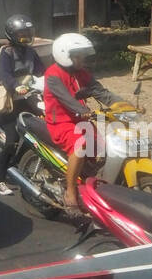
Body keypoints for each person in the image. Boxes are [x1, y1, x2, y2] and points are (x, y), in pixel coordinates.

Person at [42, 32, 124, 215]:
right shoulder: (52, 75)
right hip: (61, 122)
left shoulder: (82, 74)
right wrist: (84, 111)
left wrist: (125, 106)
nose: (82, 60)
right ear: (65, 55)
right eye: (78, 56)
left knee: (101, 148)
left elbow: (102, 93)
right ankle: (70, 192)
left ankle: (93, 187)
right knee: (80, 146)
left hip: (81, 120)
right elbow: (66, 99)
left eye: (82, 56)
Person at [0, 15, 47, 195]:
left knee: (41, 128)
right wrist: (17, 86)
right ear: (12, 35)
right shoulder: (6, 53)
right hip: (9, 102)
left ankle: (22, 163)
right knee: (11, 140)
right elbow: (5, 76)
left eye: (27, 33)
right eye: (21, 34)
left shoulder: (31, 52)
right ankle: (0, 180)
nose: (25, 37)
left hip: (27, 99)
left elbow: (43, 72)